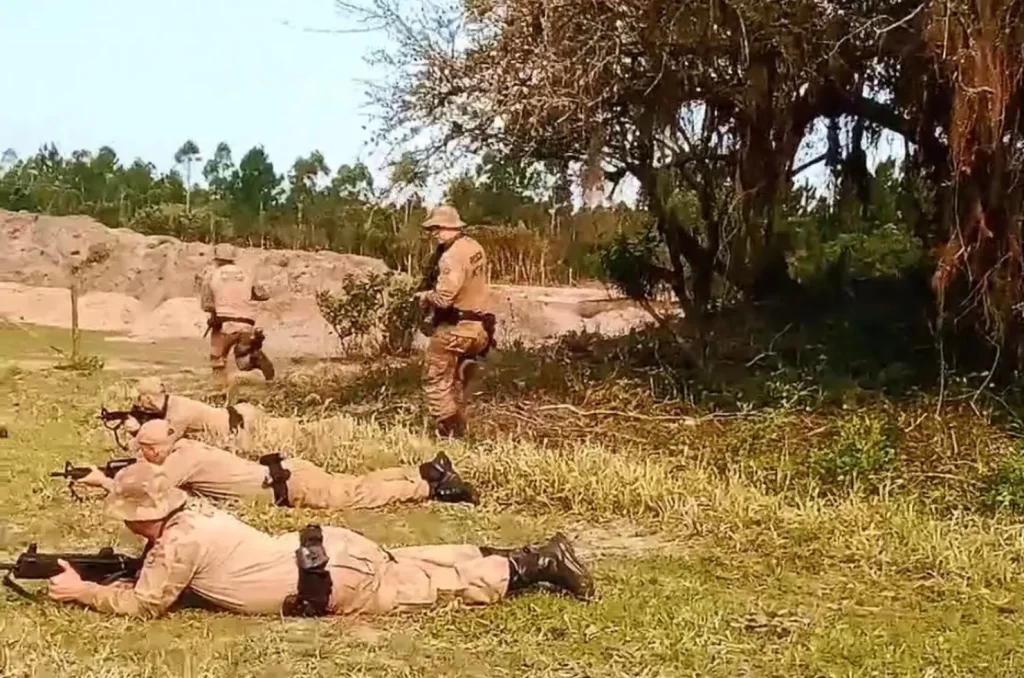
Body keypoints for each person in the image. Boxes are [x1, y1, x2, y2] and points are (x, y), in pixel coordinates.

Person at [46, 463, 594, 618]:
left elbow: (145, 603)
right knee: (409, 559)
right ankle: (518, 549)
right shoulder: (193, 511)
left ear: (138, 518)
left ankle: (534, 564)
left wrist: (84, 592)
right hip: (326, 546)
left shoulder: (175, 546)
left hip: (327, 579)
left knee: (428, 586)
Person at [76, 420, 479, 509]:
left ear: (163, 443)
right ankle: (425, 469)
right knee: (353, 480)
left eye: (147, 448)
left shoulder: (185, 457)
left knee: (355, 495)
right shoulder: (185, 447)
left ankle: (432, 487)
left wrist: (104, 482)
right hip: (284, 471)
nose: (143, 453)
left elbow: (153, 490)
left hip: (287, 485)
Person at [415, 205, 495, 439]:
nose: (435, 234)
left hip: (455, 329)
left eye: (438, 228)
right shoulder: (474, 247)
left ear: (452, 227)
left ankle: (451, 432)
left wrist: (423, 297)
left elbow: (443, 297)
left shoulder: (450, 257)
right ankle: (464, 386)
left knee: (434, 379)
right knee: (453, 378)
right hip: (479, 329)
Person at [122, 377, 269, 451]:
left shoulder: (179, 414)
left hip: (239, 425)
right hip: (239, 416)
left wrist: (136, 432)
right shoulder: (174, 403)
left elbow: (160, 444)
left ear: (148, 398)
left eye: (139, 398)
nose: (138, 404)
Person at [199, 243, 274, 384]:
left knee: (218, 360)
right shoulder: (247, 274)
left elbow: (206, 305)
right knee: (243, 360)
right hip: (247, 324)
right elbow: (263, 295)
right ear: (234, 258)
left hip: (224, 325)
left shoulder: (211, 276)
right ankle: (253, 359)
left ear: (216, 259)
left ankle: (219, 390)